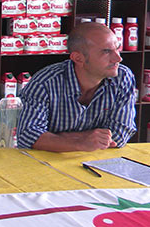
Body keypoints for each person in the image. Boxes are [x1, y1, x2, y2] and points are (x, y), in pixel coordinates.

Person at [17, 22, 136, 152]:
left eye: (117, 48)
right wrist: (82, 143)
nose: (118, 58)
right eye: (106, 52)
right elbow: (28, 136)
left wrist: (60, 139)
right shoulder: (45, 82)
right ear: (78, 58)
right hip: (47, 161)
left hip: (99, 160)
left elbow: (121, 133)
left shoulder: (122, 77)